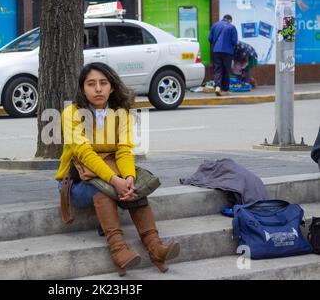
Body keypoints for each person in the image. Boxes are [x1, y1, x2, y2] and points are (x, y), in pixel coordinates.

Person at [55, 62, 180, 276]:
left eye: (103, 83)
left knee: (136, 186)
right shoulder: (72, 113)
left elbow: (124, 150)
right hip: (76, 184)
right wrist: (115, 180)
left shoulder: (120, 112)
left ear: (112, 87)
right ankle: (119, 250)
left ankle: (156, 247)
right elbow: (84, 153)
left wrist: (129, 178)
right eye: (91, 84)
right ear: (82, 88)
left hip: (109, 176)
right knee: (103, 190)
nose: (98, 89)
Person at [208, 14, 238, 96]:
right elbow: (234, 42)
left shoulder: (215, 25)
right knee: (226, 70)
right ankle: (225, 89)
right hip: (227, 52)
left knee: (218, 69)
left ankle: (217, 87)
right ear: (229, 19)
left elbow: (209, 39)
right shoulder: (232, 27)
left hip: (216, 51)